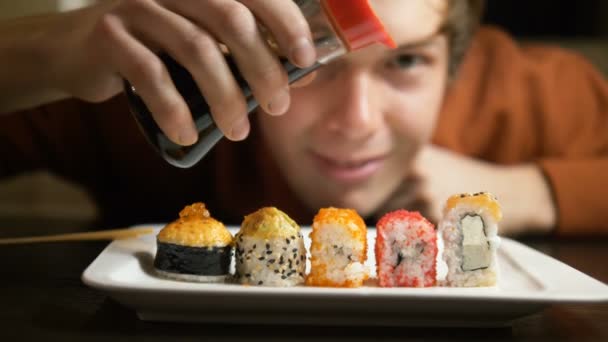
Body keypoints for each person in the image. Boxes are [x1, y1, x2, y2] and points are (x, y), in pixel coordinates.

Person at [0, 0, 606, 236]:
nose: (357, 123)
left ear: (457, 59)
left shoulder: (532, 91)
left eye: (409, 63)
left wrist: (535, 191)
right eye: (310, 60)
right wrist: (43, 51)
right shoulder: (157, 94)